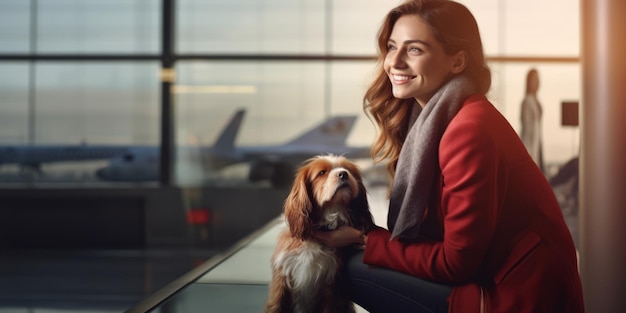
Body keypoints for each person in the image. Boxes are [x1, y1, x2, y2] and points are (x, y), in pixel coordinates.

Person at [313, 0, 584, 312]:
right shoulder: (441, 118)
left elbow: (456, 262)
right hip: (497, 276)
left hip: (514, 295)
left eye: (414, 50)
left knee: (345, 269)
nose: (395, 62)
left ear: (457, 62)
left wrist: (364, 236)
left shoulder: (467, 130)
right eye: (391, 47)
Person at [520, 68, 545, 173]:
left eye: (537, 79)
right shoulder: (527, 102)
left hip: (537, 146)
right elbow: (527, 131)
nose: (537, 82)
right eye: (534, 79)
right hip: (530, 148)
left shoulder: (535, 101)